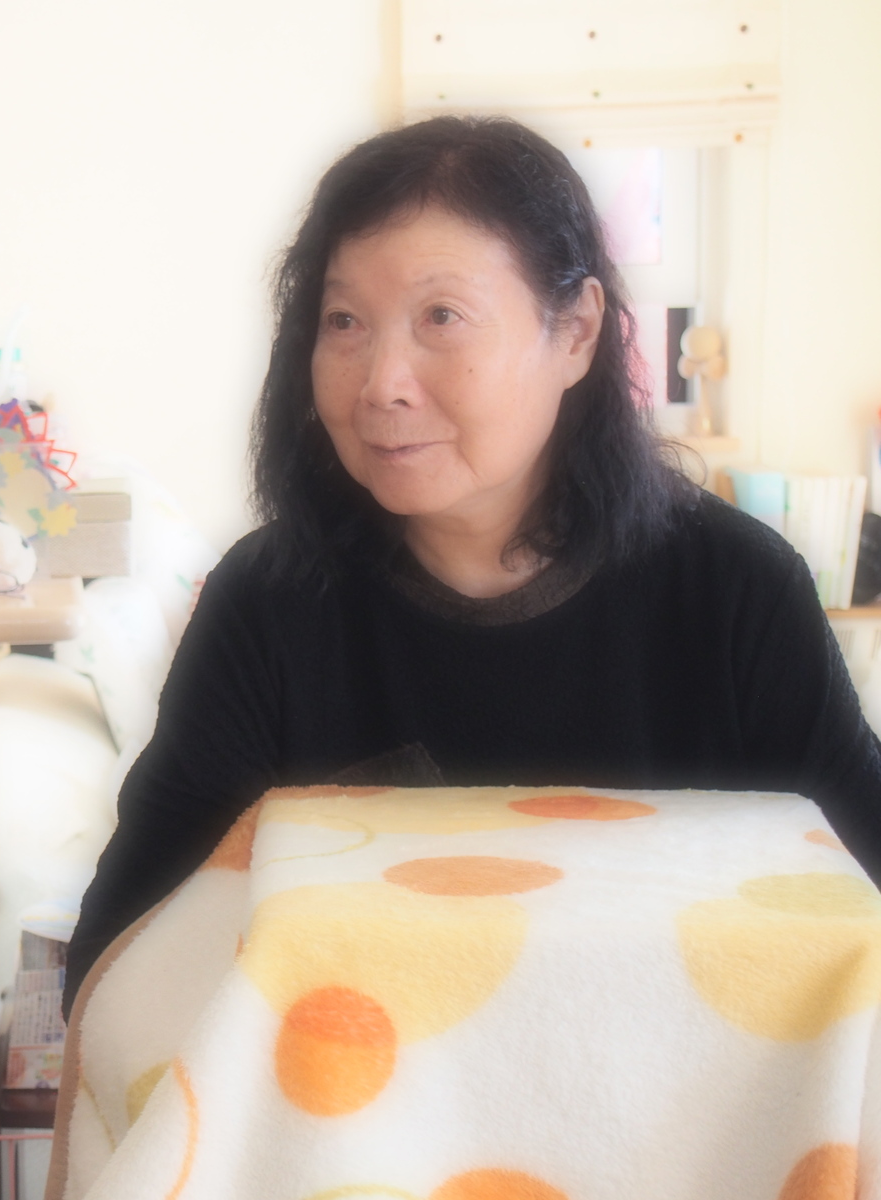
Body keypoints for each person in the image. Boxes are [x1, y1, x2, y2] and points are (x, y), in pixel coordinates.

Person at [65, 115, 881, 1014]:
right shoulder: (269, 604)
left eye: (441, 317)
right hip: (357, 1090)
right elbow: (119, 955)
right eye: (344, 321)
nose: (382, 383)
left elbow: (862, 897)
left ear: (575, 332)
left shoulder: (735, 591)